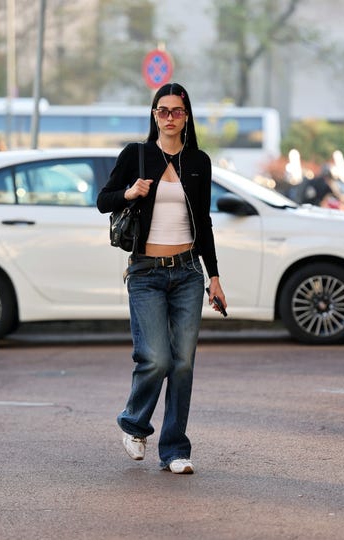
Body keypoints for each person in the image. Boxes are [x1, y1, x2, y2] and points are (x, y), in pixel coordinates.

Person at [97, 82, 226, 474]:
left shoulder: (199, 161)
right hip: (146, 273)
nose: (169, 118)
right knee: (155, 358)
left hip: (188, 272)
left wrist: (214, 276)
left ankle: (174, 450)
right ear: (153, 115)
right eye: (162, 111)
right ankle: (134, 424)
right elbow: (103, 200)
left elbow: (202, 221)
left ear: (186, 117)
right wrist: (130, 193)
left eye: (177, 111)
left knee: (183, 363)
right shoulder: (135, 156)